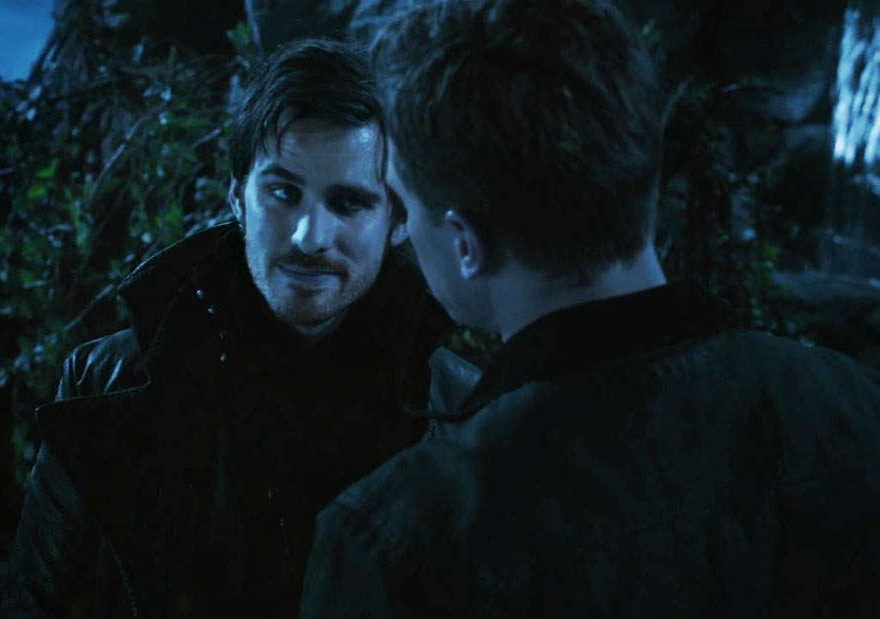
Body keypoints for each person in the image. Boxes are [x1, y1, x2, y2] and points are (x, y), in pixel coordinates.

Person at [299, 1, 880, 616]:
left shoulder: (401, 538)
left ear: (466, 243)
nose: (402, 233)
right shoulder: (855, 406)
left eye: (404, 205)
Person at [0, 38, 478, 618]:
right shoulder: (106, 380)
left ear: (398, 221)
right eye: (283, 193)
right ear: (237, 197)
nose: (309, 237)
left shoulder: (464, 413)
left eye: (349, 203)